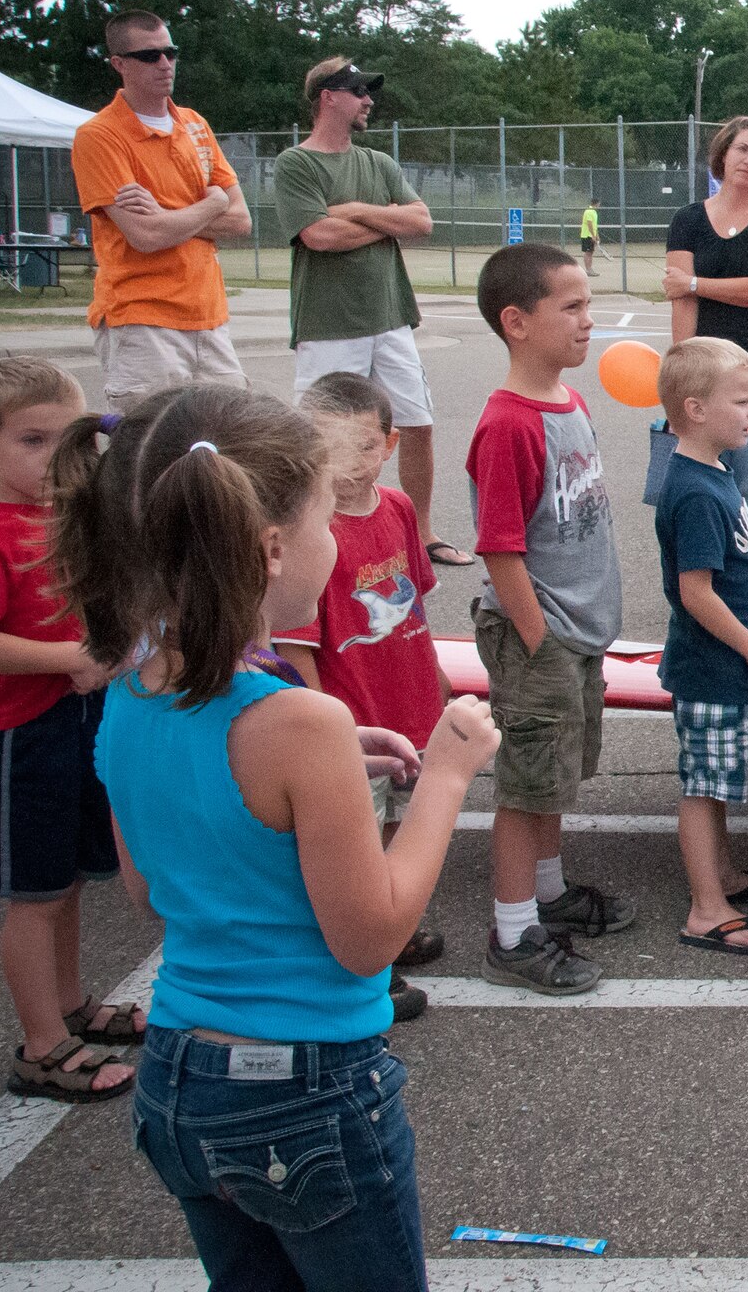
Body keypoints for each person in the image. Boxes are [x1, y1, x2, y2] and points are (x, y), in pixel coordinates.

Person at [48, 383, 499, 1289]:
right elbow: (370, 939)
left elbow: (154, 894)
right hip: (306, 1096)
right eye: (330, 516)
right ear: (271, 547)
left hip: (178, 1081)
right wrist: (447, 775)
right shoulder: (301, 722)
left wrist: (318, 789)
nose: (340, 538)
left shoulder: (130, 692)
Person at [468, 244, 630, 996]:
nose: (588, 321)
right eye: (571, 307)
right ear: (517, 322)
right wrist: (538, 641)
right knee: (525, 784)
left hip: (574, 632)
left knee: (555, 780)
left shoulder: (569, 402)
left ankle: (550, 890)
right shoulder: (507, 425)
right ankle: (513, 933)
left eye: (587, 305)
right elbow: (499, 549)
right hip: (542, 637)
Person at [274, 372, 455, 1023]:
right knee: (348, 845)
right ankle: (359, 966)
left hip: (405, 706)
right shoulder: (307, 531)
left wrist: (435, 688)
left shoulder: (400, 509)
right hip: (350, 723)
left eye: (359, 446)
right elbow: (293, 646)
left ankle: (388, 929)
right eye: (323, 447)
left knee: (392, 826)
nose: (342, 465)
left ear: (388, 444)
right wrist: (323, 729)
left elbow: (415, 608)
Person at [276, 58, 471, 569]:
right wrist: (386, 221)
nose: (368, 100)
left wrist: (355, 211)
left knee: (416, 424)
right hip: (328, 323)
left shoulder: (379, 163)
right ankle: (318, 534)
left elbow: (422, 222)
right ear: (327, 97)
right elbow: (319, 236)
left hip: (391, 317)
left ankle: (422, 535)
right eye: (358, 90)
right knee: (321, 433)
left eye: (368, 92)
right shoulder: (296, 164)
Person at [0, 360, 128, 1103]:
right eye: (31, 439)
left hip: (78, 714)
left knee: (71, 880)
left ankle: (72, 1004)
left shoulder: (59, 515)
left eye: (67, 439)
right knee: (35, 894)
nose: (54, 459)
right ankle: (41, 1045)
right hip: (25, 735)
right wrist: (67, 658)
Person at [654, 338, 748, 955]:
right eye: (740, 402)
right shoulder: (694, 493)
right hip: (712, 665)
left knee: (718, 780)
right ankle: (706, 909)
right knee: (704, 786)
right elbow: (696, 594)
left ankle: (725, 875)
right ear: (695, 409)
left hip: (724, 665)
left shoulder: (715, 473)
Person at [69, 10, 253, 412]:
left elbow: (240, 220)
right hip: (142, 318)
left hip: (209, 316)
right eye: (150, 56)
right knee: (150, 453)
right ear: (119, 64)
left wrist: (172, 214)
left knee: (228, 449)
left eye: (170, 52)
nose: (165, 63)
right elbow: (146, 237)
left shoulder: (193, 124)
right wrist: (211, 203)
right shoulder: (99, 136)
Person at [661, 116, 748, 603]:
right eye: (744, 149)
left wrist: (697, 283)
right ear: (723, 154)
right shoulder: (687, 219)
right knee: (699, 479)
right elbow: (682, 302)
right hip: (703, 373)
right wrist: (681, 370)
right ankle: (702, 593)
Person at [579, 197, 601, 275]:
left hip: (591, 235)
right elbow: (589, 224)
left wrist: (597, 235)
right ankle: (588, 270)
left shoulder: (594, 212)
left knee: (590, 252)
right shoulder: (589, 211)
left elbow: (594, 225)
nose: (599, 205)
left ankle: (589, 269)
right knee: (588, 252)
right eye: (599, 204)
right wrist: (593, 236)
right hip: (586, 235)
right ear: (597, 203)